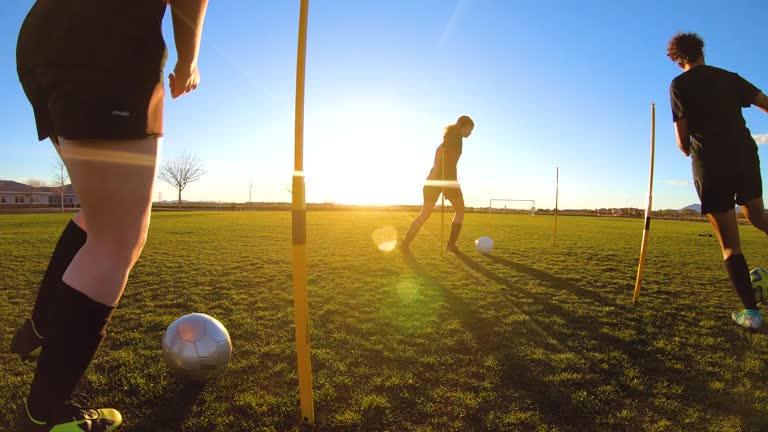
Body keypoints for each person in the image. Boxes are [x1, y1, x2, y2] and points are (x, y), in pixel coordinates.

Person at [10, 0, 209, 430]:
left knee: (98, 215)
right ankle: (42, 417)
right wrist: (189, 60)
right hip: (110, 36)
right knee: (117, 241)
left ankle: (40, 329)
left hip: (44, 34)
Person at [667, 32, 768, 330]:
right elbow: (765, 103)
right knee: (758, 216)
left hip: (710, 164)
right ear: (701, 52)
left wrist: (688, 149)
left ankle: (751, 314)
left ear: (678, 58)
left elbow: (682, 141)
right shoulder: (728, 77)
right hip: (744, 156)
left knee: (730, 245)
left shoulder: (679, 84)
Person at [400, 115, 475, 253]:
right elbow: (440, 151)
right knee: (460, 210)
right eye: (470, 129)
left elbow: (440, 150)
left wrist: (434, 175)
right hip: (447, 181)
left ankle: (405, 244)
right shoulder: (455, 138)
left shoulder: (452, 136)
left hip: (433, 180)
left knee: (425, 214)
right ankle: (451, 245)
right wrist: (437, 174)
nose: (471, 133)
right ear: (464, 126)